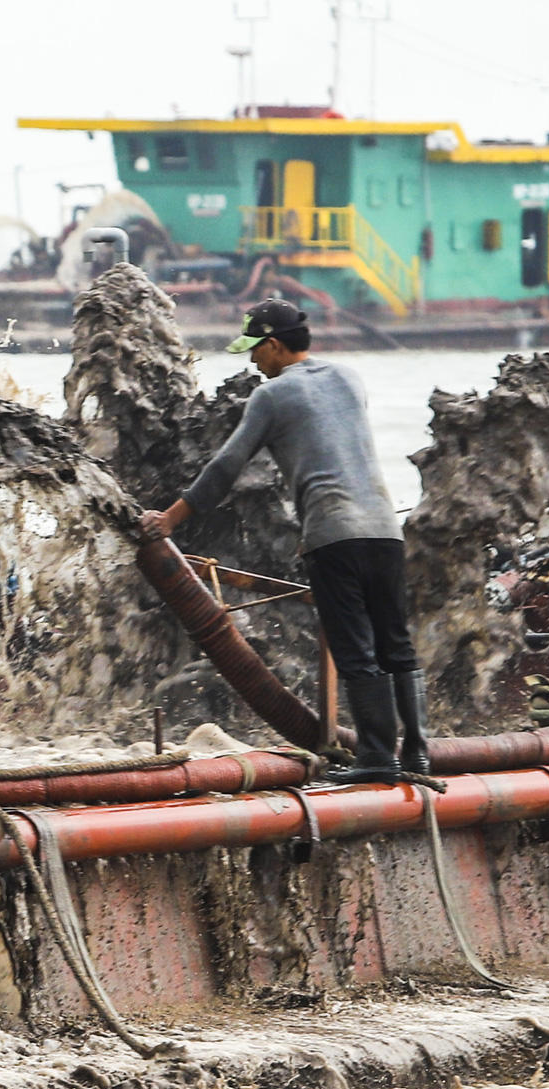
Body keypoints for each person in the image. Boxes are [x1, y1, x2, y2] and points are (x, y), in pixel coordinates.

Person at [139, 298, 428, 782]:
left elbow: (225, 468)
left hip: (334, 538)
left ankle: (378, 758)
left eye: (256, 351)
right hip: (383, 530)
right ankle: (416, 754)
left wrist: (169, 520)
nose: (253, 362)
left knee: (355, 648)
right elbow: (332, 448)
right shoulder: (349, 378)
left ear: (274, 344)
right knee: (396, 643)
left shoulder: (270, 398)